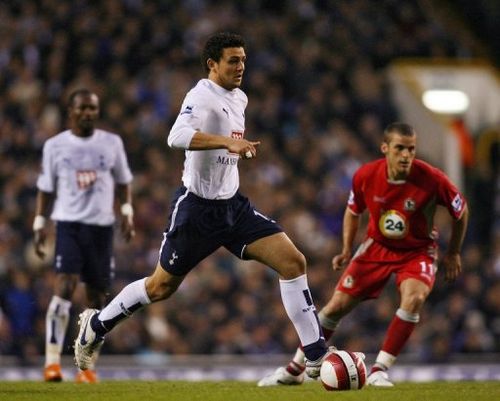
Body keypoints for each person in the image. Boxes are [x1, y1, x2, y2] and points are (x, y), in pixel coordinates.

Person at [74, 31, 331, 377]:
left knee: (293, 261)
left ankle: (315, 356)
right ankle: (96, 326)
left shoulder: (239, 97)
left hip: (234, 208)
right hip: (197, 210)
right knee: (160, 287)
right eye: (233, 60)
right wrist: (228, 143)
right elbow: (175, 136)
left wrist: (236, 148)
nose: (241, 66)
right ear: (212, 64)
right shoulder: (201, 95)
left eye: (243, 59)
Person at [258, 122, 469, 387]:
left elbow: (461, 213)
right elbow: (353, 211)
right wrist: (347, 248)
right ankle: (294, 369)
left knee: (414, 298)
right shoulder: (366, 175)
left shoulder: (433, 178)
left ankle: (379, 370)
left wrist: (454, 253)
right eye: (400, 148)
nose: (406, 155)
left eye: (411, 149)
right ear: (385, 148)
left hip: (418, 251)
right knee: (335, 307)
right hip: (376, 247)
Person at [34, 89, 135, 383]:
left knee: (97, 300)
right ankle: (52, 363)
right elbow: (45, 187)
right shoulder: (55, 146)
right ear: (71, 111)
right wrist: (39, 222)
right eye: (83, 108)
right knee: (64, 286)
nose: (88, 113)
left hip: (101, 229)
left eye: (93, 108)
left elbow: (123, 181)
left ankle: (86, 368)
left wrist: (127, 212)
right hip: (69, 225)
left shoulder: (111, 143)